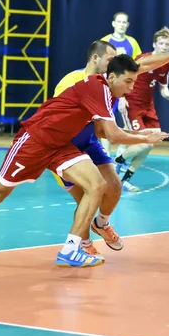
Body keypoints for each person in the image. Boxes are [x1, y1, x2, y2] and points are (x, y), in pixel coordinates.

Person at [0, 42, 169, 268]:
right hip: (35, 140)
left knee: (98, 185)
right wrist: (145, 136)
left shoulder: (110, 87)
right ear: (108, 72)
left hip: (61, 146)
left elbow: (140, 67)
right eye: (129, 83)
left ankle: (71, 249)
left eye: (134, 82)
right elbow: (113, 133)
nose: (132, 88)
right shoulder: (96, 88)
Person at [51, 40, 123, 260]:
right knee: (86, 198)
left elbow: (101, 129)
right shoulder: (70, 83)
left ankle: (101, 223)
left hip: (89, 142)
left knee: (114, 186)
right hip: (64, 146)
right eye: (110, 60)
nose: (114, 65)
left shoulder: (107, 86)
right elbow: (56, 120)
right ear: (96, 58)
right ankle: (82, 244)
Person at [114, 26, 169, 192]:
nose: (164, 47)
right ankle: (116, 162)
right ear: (154, 44)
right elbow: (123, 78)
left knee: (152, 141)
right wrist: (121, 98)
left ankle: (124, 179)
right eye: (161, 43)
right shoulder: (142, 60)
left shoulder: (166, 65)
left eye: (167, 44)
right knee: (143, 142)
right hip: (132, 104)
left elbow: (163, 88)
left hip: (148, 106)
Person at [100, 12, 143, 153]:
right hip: (108, 88)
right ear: (113, 23)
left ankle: (120, 157)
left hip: (125, 90)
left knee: (127, 126)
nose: (121, 25)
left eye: (124, 22)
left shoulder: (132, 42)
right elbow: (100, 67)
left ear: (128, 25)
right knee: (106, 124)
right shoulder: (105, 42)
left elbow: (137, 65)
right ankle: (105, 157)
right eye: (119, 22)